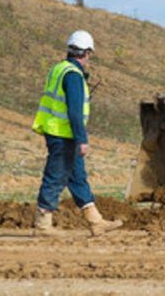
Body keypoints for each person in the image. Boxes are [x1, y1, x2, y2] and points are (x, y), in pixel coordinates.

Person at [31, 30, 123, 236]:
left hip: (58, 131)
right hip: (64, 134)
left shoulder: (59, 69)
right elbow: (74, 111)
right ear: (87, 53)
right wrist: (82, 139)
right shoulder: (73, 76)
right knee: (55, 175)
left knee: (77, 176)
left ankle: (95, 221)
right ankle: (43, 224)